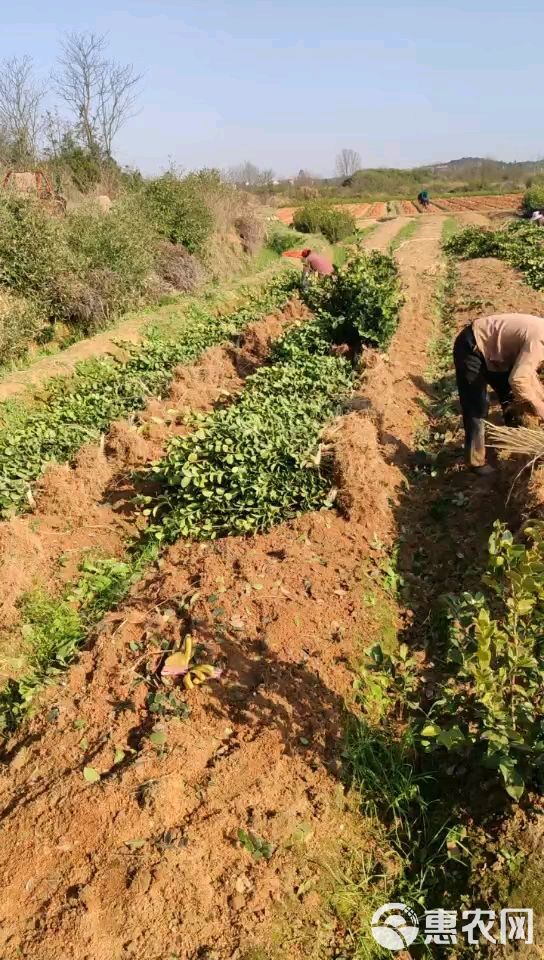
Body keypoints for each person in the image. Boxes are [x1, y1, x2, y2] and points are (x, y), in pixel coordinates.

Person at [453, 313, 544, 474]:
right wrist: (540, 408)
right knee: (477, 406)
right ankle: (476, 462)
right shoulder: (539, 341)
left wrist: (538, 399)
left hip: (496, 353)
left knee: (512, 399)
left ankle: (519, 451)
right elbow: (519, 378)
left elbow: (528, 375)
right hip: (472, 345)